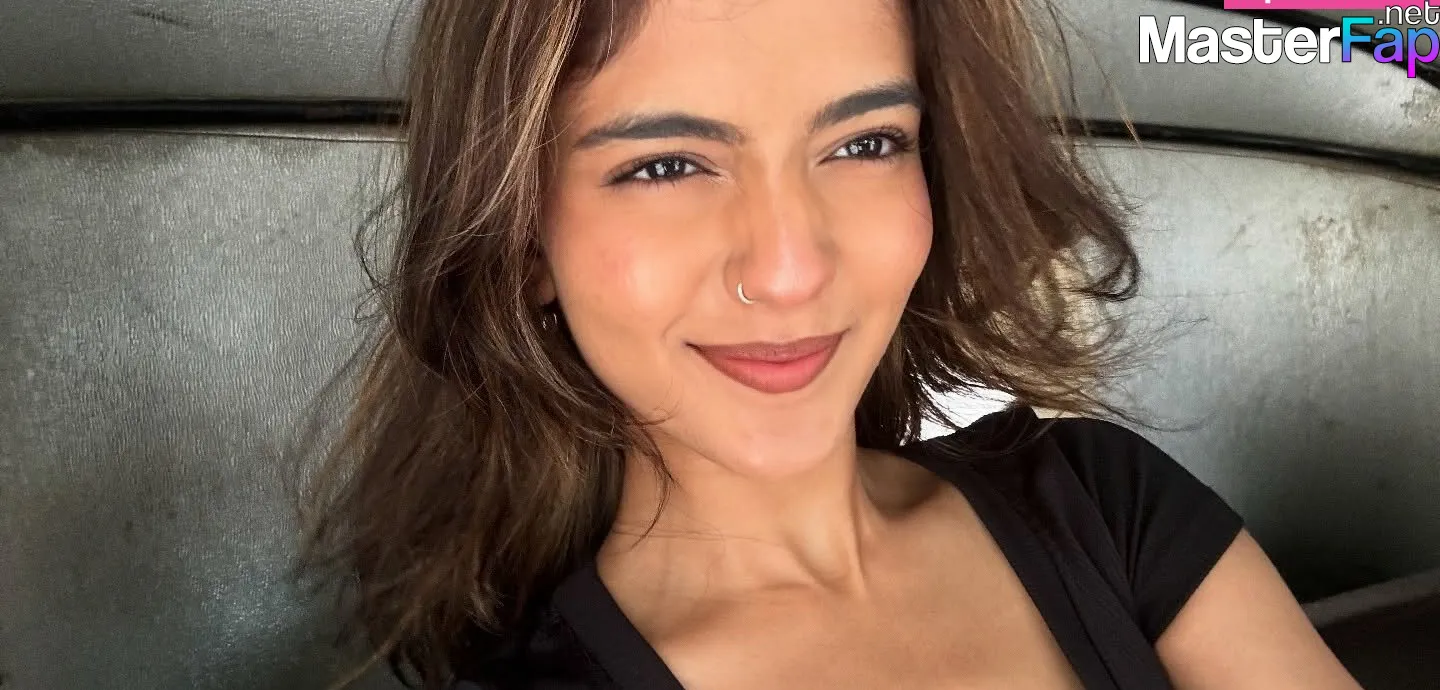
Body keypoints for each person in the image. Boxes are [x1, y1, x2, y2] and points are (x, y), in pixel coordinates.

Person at [297, 0, 1365, 688]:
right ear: (526, 238)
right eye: (666, 165)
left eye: (865, 144)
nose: (790, 269)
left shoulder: (1107, 509)